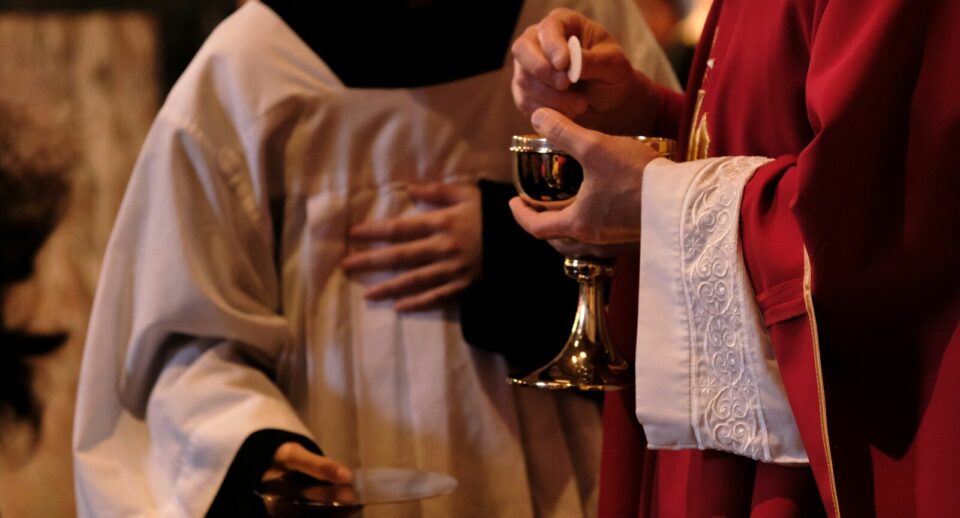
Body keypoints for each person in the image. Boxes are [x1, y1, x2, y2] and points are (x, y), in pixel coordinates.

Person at [71, 1, 679, 517]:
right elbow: (179, 339)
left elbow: (692, 238)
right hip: (336, 450)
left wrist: (511, 243)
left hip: (562, 467)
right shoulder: (248, 67)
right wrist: (251, 444)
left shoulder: (575, 30)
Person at [509, 2, 960, 517]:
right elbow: (771, 137)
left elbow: (887, 213)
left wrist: (659, 199)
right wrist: (645, 118)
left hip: (825, 446)